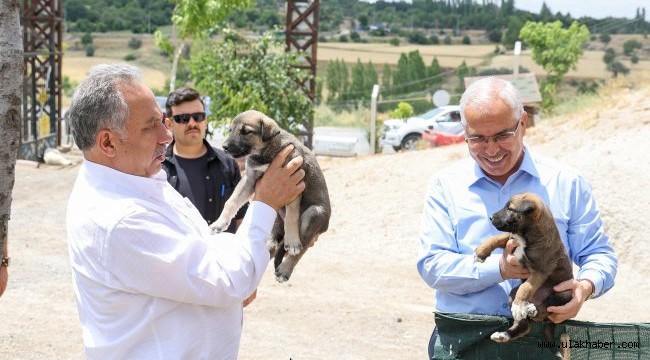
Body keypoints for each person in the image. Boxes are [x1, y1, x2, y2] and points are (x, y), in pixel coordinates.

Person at [66, 63, 305, 359]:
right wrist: (267, 202)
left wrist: (246, 260)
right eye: (150, 126)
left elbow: (200, 246)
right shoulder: (119, 219)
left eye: (163, 121)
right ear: (108, 142)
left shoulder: (140, 179)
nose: (166, 136)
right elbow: (229, 279)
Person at [416, 76, 617, 356]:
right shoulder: (445, 185)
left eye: (502, 135)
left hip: (542, 340)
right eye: (478, 138)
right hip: (463, 340)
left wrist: (585, 287)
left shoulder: (567, 182)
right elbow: (432, 266)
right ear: (464, 132)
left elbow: (599, 254)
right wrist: (500, 270)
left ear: (522, 123)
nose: (491, 149)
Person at [162, 86, 246, 233]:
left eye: (198, 116)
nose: (192, 123)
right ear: (169, 124)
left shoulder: (227, 164)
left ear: (205, 121)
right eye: (183, 118)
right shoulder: (157, 168)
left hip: (222, 253)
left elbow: (241, 219)